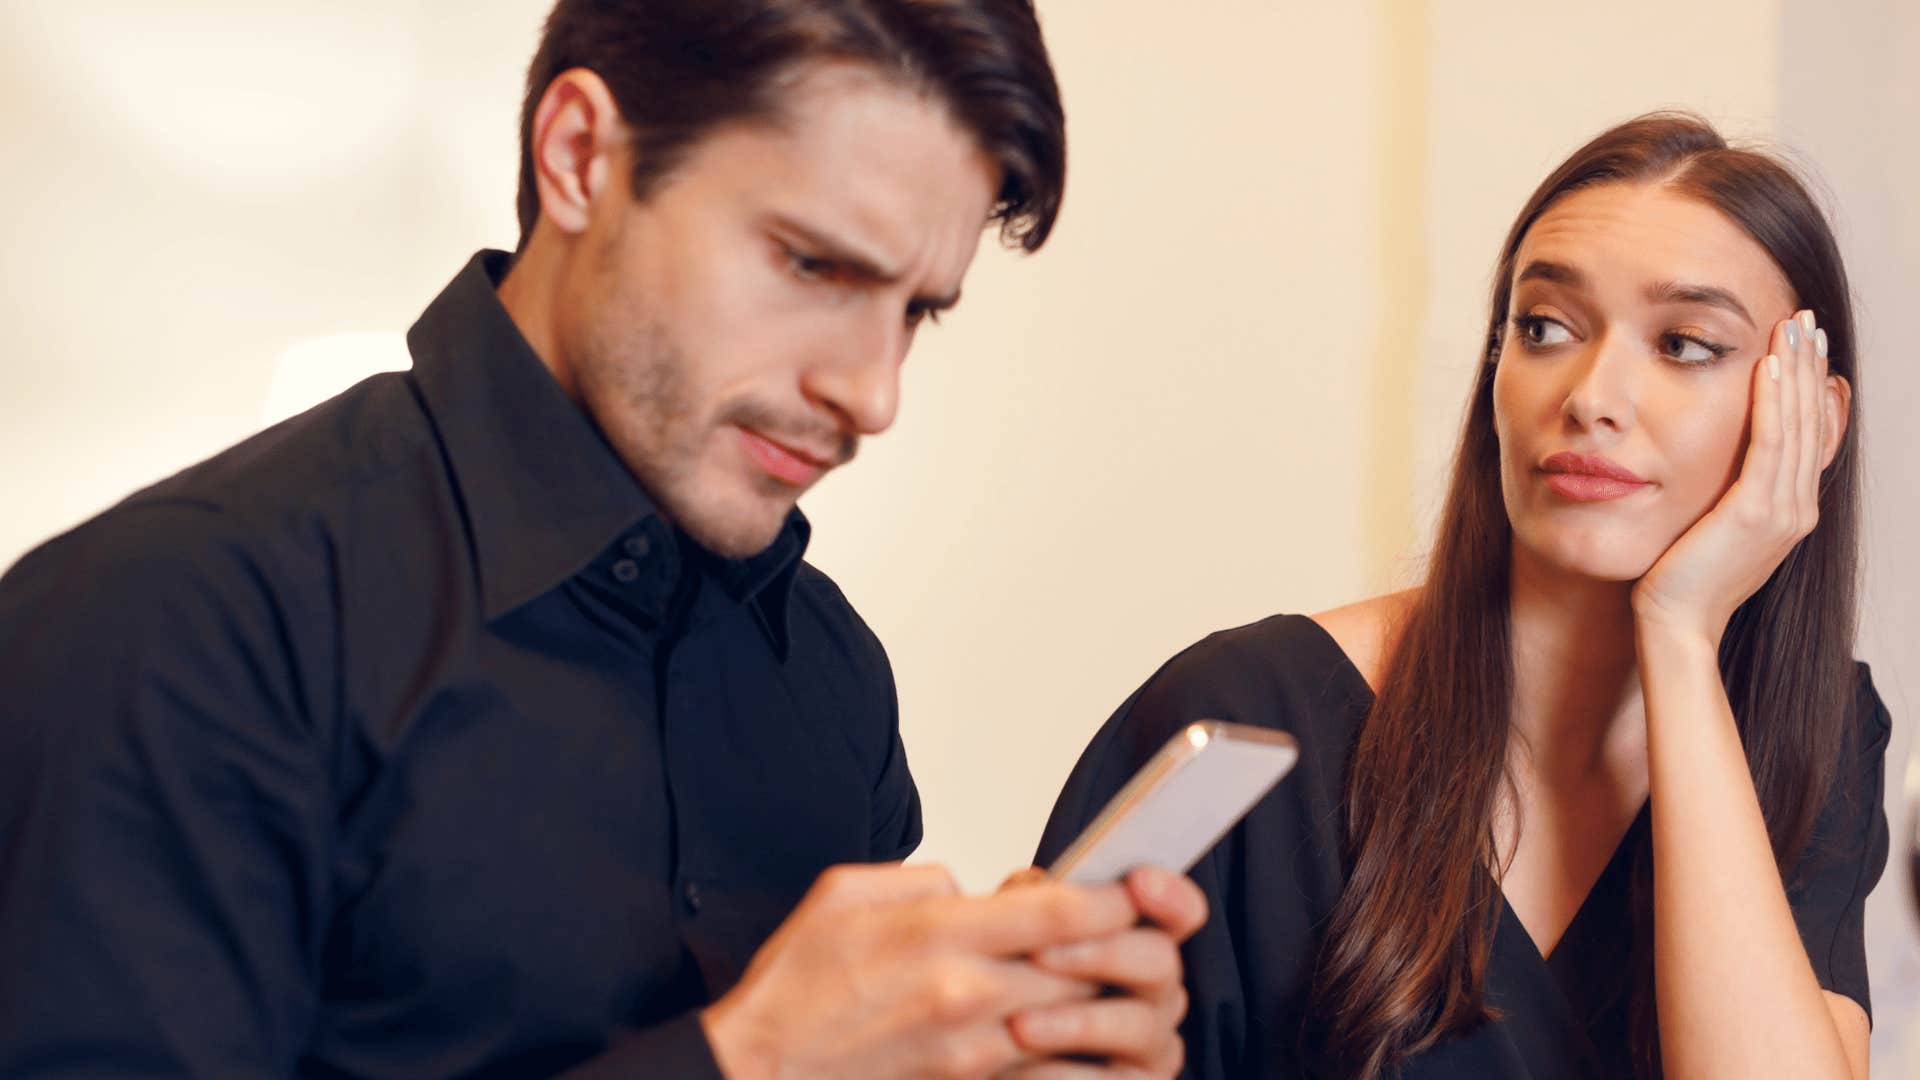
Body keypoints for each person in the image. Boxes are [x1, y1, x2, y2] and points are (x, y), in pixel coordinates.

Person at [0, 2, 1205, 1076]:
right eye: (813, 263)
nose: (873, 392)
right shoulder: (171, 618)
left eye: (916, 312)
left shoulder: (833, 676)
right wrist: (751, 1062)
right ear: (580, 156)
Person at [1037, 112, 1890, 1079]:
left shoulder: (1817, 733)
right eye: (1545, 328)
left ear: (1810, 416)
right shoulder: (1245, 719)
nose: (1592, 395)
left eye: (1686, 343)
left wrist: (1682, 635)